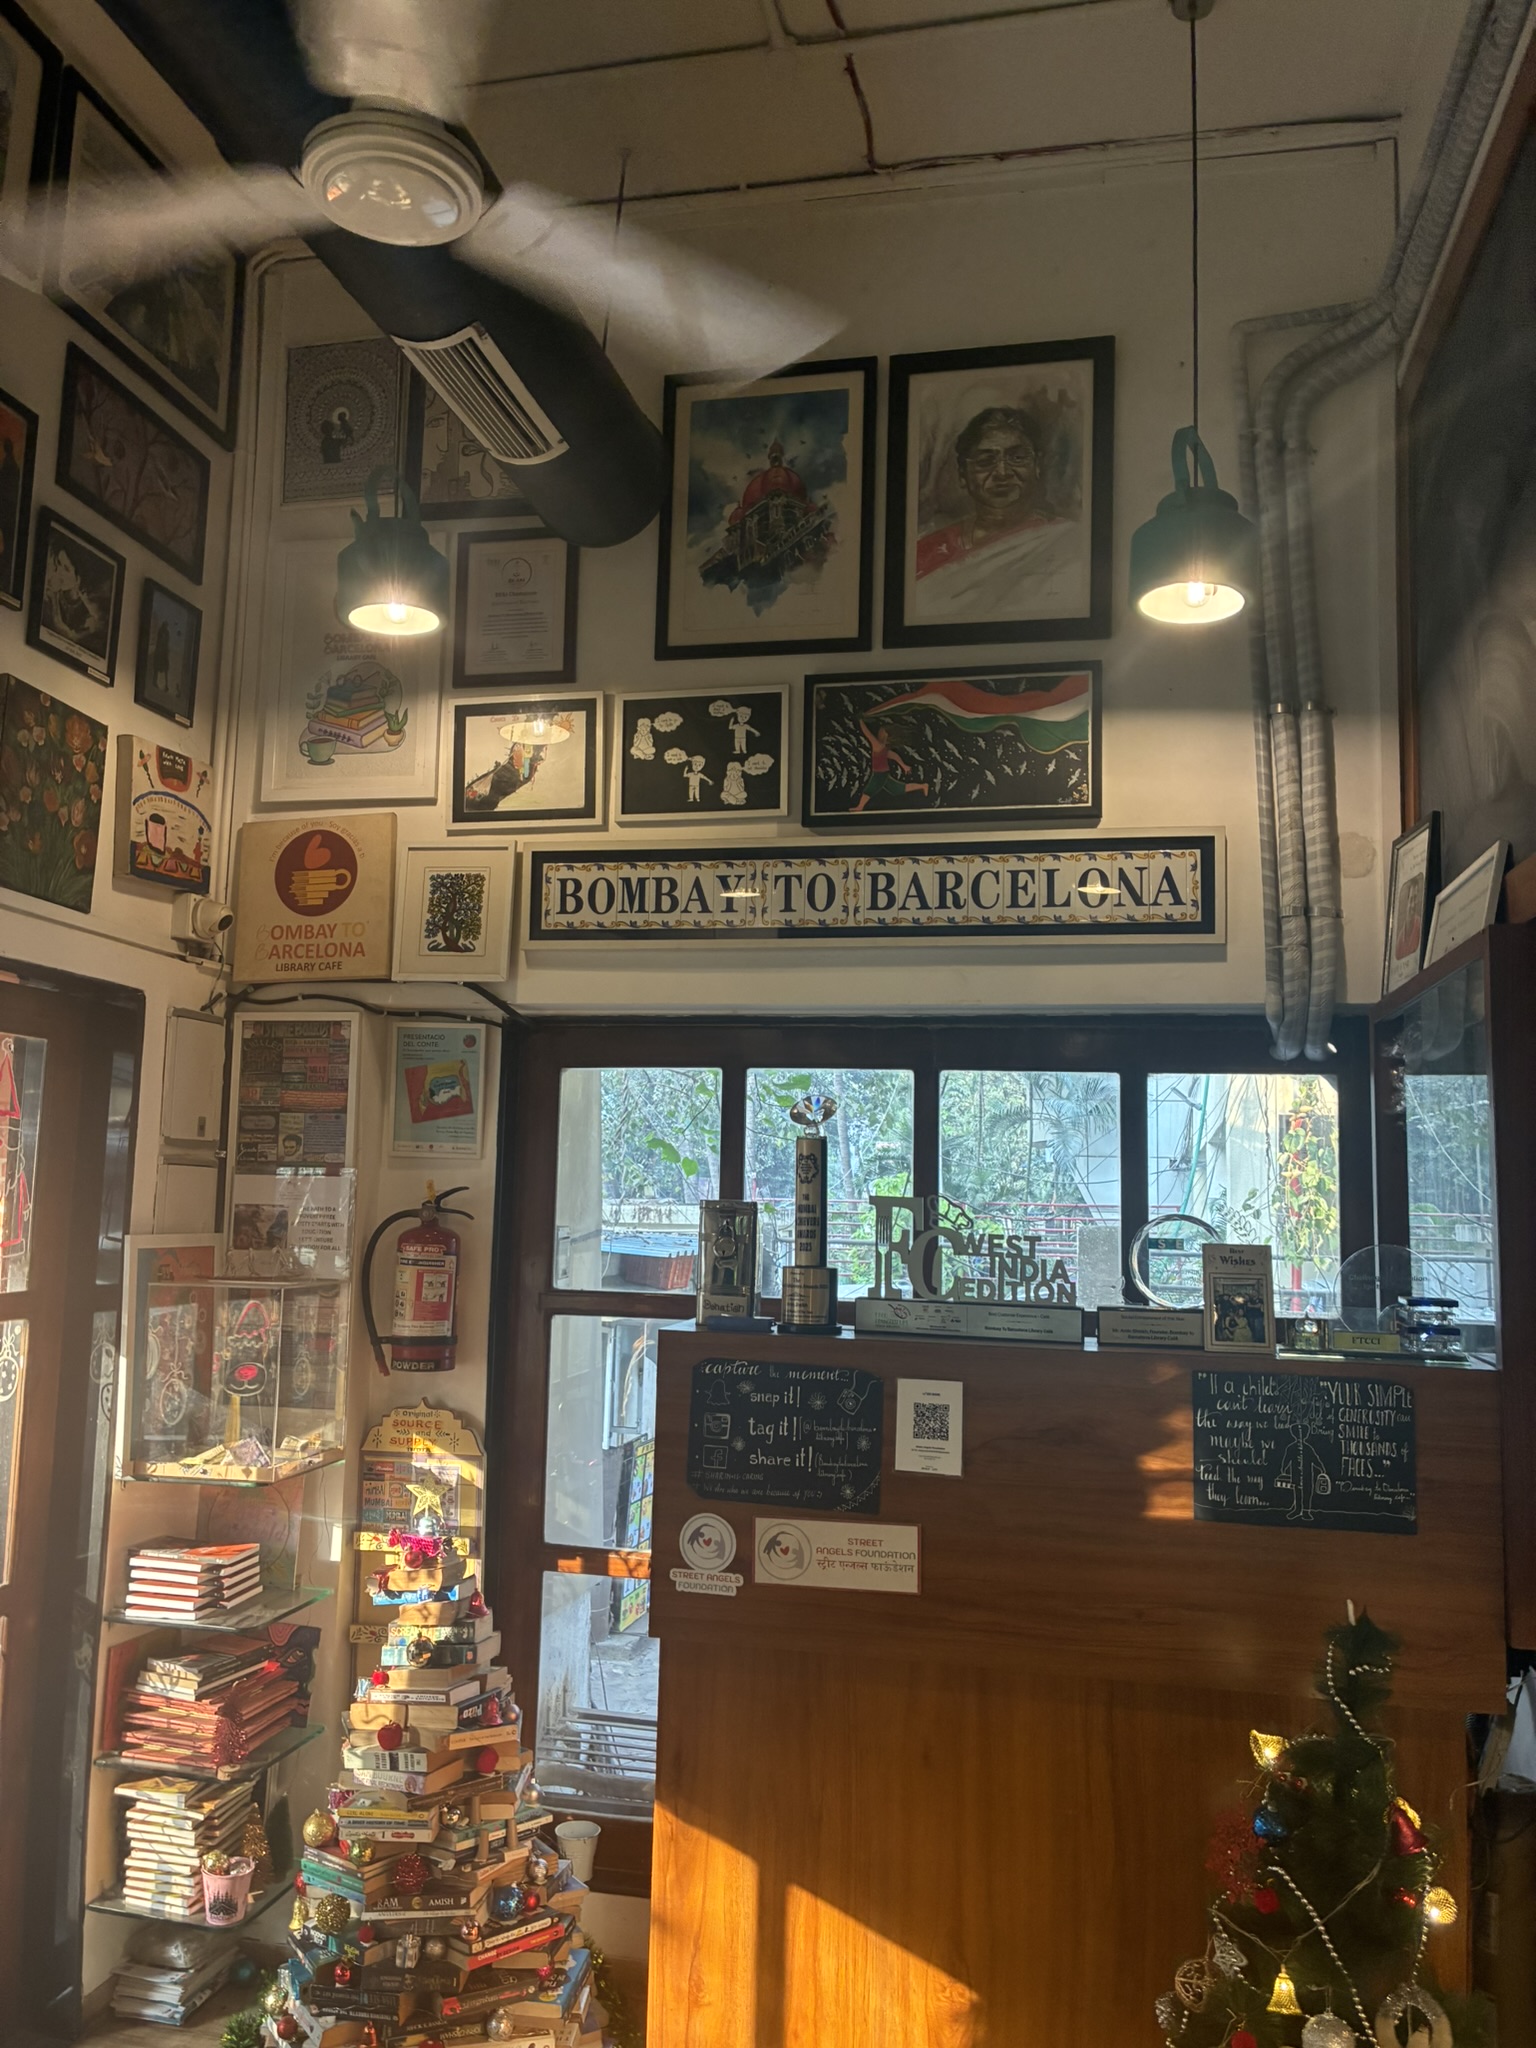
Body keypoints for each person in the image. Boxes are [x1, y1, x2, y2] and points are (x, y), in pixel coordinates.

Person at [913, 403, 1082, 623]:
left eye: (1017, 458)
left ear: (1037, 466)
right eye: (985, 461)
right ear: (963, 475)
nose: (1002, 472)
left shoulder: (1070, 541)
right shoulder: (927, 552)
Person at [850, 718, 928, 813]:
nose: (879, 733)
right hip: (882, 772)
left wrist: (861, 721)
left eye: (881, 732)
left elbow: (868, 734)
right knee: (896, 789)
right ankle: (923, 786)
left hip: (880, 773)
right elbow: (894, 756)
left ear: (886, 735)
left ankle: (860, 807)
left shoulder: (878, 745)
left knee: (870, 789)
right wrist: (903, 765)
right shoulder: (883, 748)